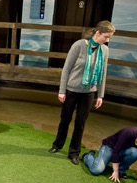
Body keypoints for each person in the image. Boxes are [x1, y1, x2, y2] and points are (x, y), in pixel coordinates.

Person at [49, 20, 115, 165]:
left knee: (81, 122)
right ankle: (57, 144)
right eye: (106, 36)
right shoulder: (79, 45)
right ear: (97, 33)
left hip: (89, 92)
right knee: (65, 119)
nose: (107, 40)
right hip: (72, 89)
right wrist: (62, 91)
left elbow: (103, 73)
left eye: (109, 37)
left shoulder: (104, 50)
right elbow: (66, 69)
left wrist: (100, 95)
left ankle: (74, 152)